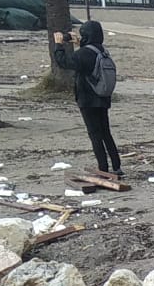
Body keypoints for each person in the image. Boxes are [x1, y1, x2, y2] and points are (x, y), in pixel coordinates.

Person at [51, 22, 121, 178]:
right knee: (105, 133)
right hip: (103, 97)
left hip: (87, 99)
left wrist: (59, 44)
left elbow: (64, 62)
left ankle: (103, 168)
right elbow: (86, 58)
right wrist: (79, 43)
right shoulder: (102, 50)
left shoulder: (83, 54)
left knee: (94, 135)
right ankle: (116, 166)